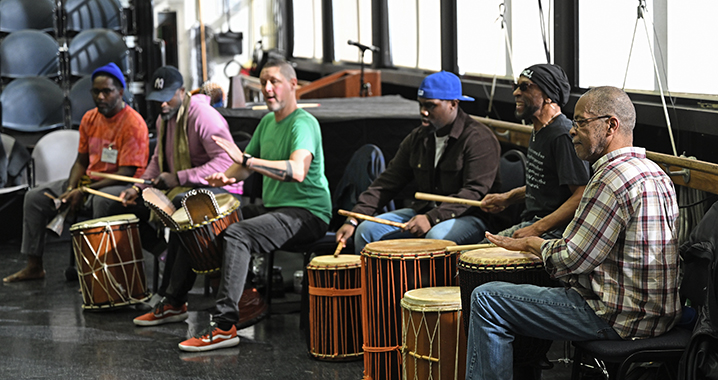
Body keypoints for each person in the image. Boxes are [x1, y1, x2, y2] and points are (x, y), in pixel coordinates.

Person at [438, 86, 681, 380]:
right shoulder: (654, 172)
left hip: (618, 318)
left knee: (487, 299)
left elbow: (572, 258)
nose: (571, 130)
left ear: (611, 125)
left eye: (581, 123)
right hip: (659, 317)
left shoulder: (610, 179)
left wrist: (531, 244)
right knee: (516, 294)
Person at [174, 58, 331, 351]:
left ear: (293, 84)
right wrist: (225, 176)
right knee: (205, 220)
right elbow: (244, 168)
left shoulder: (304, 123)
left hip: (307, 213)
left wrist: (246, 161)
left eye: (274, 82)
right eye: (262, 83)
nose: (267, 89)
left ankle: (224, 326)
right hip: (277, 209)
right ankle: (174, 301)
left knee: (238, 233)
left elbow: (296, 171)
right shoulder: (267, 122)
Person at [116, 65, 244, 325]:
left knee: (179, 206)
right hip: (191, 190)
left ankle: (172, 298)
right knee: (138, 205)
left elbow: (224, 164)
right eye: (157, 99)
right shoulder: (165, 118)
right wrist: (137, 187)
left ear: (183, 92)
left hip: (225, 189)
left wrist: (179, 178)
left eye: (168, 97)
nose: (162, 104)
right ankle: (167, 272)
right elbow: (156, 160)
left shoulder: (202, 115)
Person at [3, 62, 148, 283]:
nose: (100, 97)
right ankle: (34, 267)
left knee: (102, 204)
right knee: (34, 197)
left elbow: (126, 171)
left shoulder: (133, 123)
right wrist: (72, 188)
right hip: (89, 182)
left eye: (106, 91)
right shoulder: (90, 119)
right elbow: (80, 161)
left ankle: (98, 275)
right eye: (96, 91)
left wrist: (84, 190)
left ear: (120, 91)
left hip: (122, 185)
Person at [335, 71, 501, 254]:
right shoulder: (418, 137)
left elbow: (473, 193)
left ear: (453, 104)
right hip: (424, 213)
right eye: (421, 105)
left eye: (431, 106)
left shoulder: (479, 139)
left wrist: (431, 218)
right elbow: (386, 183)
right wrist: (354, 218)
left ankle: (432, 284)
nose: (423, 112)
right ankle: (378, 283)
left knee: (435, 238)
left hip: (469, 217)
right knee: (366, 232)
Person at [480, 64, 590, 239]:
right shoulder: (540, 130)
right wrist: (507, 198)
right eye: (515, 87)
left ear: (548, 95)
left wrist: (537, 229)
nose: (516, 92)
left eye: (525, 87)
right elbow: (545, 187)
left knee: (473, 256)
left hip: (556, 231)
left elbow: (581, 195)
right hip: (534, 222)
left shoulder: (562, 135)